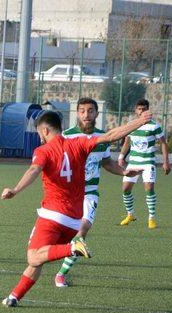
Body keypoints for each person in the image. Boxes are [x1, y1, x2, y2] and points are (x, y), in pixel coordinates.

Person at [0, 110, 151, 307]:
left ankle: (73, 248)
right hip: (73, 220)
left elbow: (33, 170)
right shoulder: (78, 143)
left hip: (52, 215)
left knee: (33, 255)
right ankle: (14, 297)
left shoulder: (43, 151)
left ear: (45, 130)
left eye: (39, 132)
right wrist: (139, 122)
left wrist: (16, 189)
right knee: (38, 259)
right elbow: (110, 136)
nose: (39, 136)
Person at [54, 97, 137, 287]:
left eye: (90, 111)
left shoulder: (103, 138)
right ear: (77, 113)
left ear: (96, 114)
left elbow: (107, 163)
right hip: (68, 194)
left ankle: (60, 274)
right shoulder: (66, 136)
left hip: (90, 193)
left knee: (82, 231)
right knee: (60, 234)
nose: (86, 115)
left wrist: (124, 171)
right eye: (82, 111)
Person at [118, 99, 170, 229]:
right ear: (136, 111)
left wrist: (166, 162)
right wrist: (121, 156)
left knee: (149, 188)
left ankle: (151, 218)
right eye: (139, 109)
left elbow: (163, 143)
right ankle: (130, 214)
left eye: (144, 109)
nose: (141, 111)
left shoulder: (154, 126)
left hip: (148, 162)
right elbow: (127, 143)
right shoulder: (131, 125)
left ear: (148, 110)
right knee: (125, 189)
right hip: (133, 162)